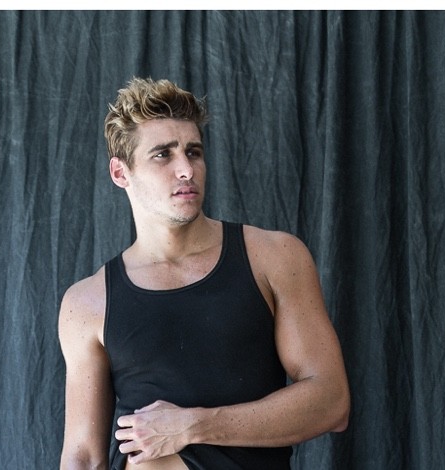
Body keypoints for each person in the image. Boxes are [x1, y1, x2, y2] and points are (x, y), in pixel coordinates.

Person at [58, 77, 350, 470]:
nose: (186, 170)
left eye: (193, 152)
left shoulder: (273, 258)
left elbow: (331, 401)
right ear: (120, 173)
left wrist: (193, 426)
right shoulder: (87, 302)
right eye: (163, 155)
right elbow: (82, 456)